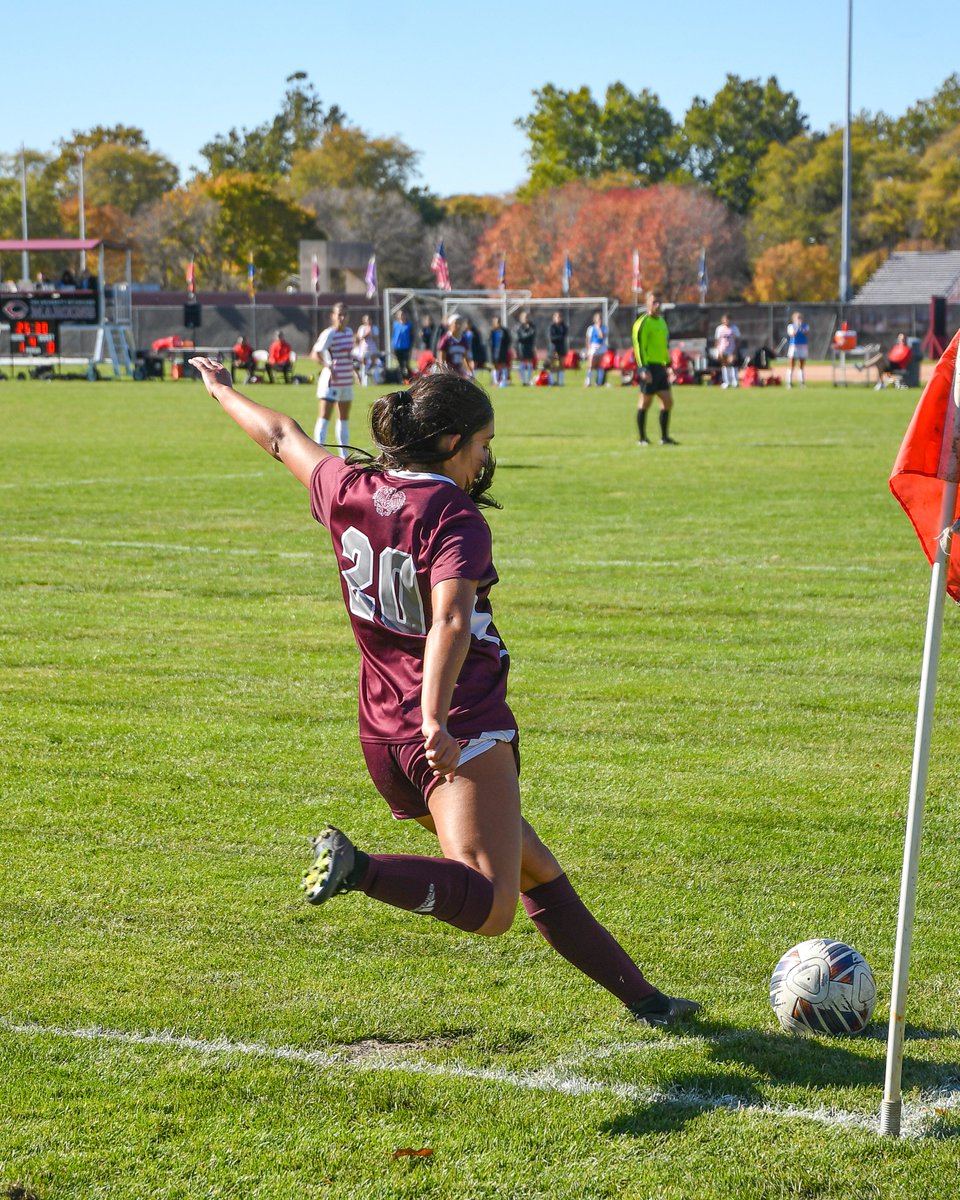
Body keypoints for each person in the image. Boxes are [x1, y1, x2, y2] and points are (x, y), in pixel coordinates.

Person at [187, 355, 702, 1028]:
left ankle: (650, 1003)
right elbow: (452, 619)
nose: (486, 460)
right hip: (455, 728)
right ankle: (356, 868)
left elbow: (282, 435)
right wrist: (438, 720)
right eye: (484, 444)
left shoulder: (350, 487)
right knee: (492, 905)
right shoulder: (452, 516)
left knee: (533, 867)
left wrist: (222, 390)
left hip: (381, 732)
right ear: (453, 443)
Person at [631, 292, 677, 446]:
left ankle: (664, 438)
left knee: (667, 401)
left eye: (659, 302)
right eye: (654, 302)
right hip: (648, 366)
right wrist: (643, 368)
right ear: (647, 304)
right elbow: (638, 348)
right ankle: (642, 438)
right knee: (645, 403)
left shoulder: (662, 322)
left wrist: (669, 366)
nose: (658, 305)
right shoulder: (642, 323)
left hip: (660, 368)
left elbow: (664, 347)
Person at [310, 303, 355, 455]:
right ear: (333, 316)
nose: (342, 318)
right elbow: (315, 353)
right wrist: (328, 366)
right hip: (331, 381)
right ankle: (319, 452)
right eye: (339, 314)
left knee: (344, 418)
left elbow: (348, 355)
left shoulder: (349, 332)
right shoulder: (329, 334)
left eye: (345, 314)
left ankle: (344, 455)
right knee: (324, 416)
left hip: (346, 380)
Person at [714, 314, 741, 388]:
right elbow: (717, 340)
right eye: (725, 320)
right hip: (723, 350)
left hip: (732, 349)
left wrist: (735, 350)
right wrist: (718, 350)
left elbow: (738, 339)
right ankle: (726, 381)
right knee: (724, 365)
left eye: (728, 320)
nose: (726, 321)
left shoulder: (734, 328)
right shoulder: (719, 328)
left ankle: (735, 381)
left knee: (732, 364)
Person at [785, 312, 809, 388]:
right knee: (791, 364)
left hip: (803, 346)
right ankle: (789, 382)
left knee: (801, 365)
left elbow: (807, 333)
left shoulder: (805, 326)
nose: (799, 319)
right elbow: (792, 334)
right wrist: (797, 328)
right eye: (797, 318)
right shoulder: (791, 326)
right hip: (794, 346)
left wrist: (802, 328)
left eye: (800, 318)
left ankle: (801, 382)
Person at [355, 314, 380, 387]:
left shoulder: (374, 328)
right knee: (364, 364)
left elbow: (376, 338)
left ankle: (377, 380)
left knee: (374, 363)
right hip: (364, 349)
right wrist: (366, 333)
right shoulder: (362, 328)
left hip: (372, 349)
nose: (368, 321)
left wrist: (371, 332)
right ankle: (363, 381)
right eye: (367, 320)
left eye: (369, 319)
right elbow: (360, 337)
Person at [585, 313, 608, 387]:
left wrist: (598, 328)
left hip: (601, 347)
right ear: (595, 320)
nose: (599, 320)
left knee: (600, 365)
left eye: (600, 318)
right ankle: (588, 382)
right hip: (593, 347)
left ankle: (599, 382)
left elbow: (602, 336)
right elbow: (588, 339)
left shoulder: (604, 328)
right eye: (598, 319)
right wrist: (588, 349)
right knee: (590, 365)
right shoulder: (591, 328)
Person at [391, 309, 414, 381]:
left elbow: (412, 336)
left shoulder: (409, 325)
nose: (401, 316)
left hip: (406, 347)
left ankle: (409, 378)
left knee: (406, 363)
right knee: (400, 364)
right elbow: (393, 335)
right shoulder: (395, 324)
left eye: (402, 314)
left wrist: (411, 345)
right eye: (400, 315)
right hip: (397, 347)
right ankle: (401, 379)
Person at [515, 311, 537, 386]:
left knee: (530, 363)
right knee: (522, 363)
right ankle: (523, 380)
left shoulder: (532, 326)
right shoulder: (518, 326)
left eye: (527, 317)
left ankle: (528, 380)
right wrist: (529, 334)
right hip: (521, 347)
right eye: (524, 317)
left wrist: (528, 334)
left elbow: (533, 334)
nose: (526, 319)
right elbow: (520, 337)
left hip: (529, 346)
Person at [489, 316, 511, 388]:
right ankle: (495, 382)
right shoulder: (492, 331)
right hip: (494, 351)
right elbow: (490, 341)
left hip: (502, 351)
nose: (497, 324)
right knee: (495, 366)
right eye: (496, 322)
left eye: (498, 322)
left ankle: (503, 381)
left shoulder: (504, 331)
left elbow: (508, 340)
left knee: (503, 365)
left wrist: (505, 349)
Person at [548, 312, 569, 386]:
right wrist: (559, 337)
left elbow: (564, 335)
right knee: (553, 365)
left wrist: (558, 337)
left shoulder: (564, 327)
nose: (558, 318)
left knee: (561, 365)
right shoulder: (551, 327)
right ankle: (552, 381)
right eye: (557, 317)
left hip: (561, 348)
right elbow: (551, 338)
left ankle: (561, 382)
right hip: (553, 348)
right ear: (554, 318)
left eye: (559, 317)